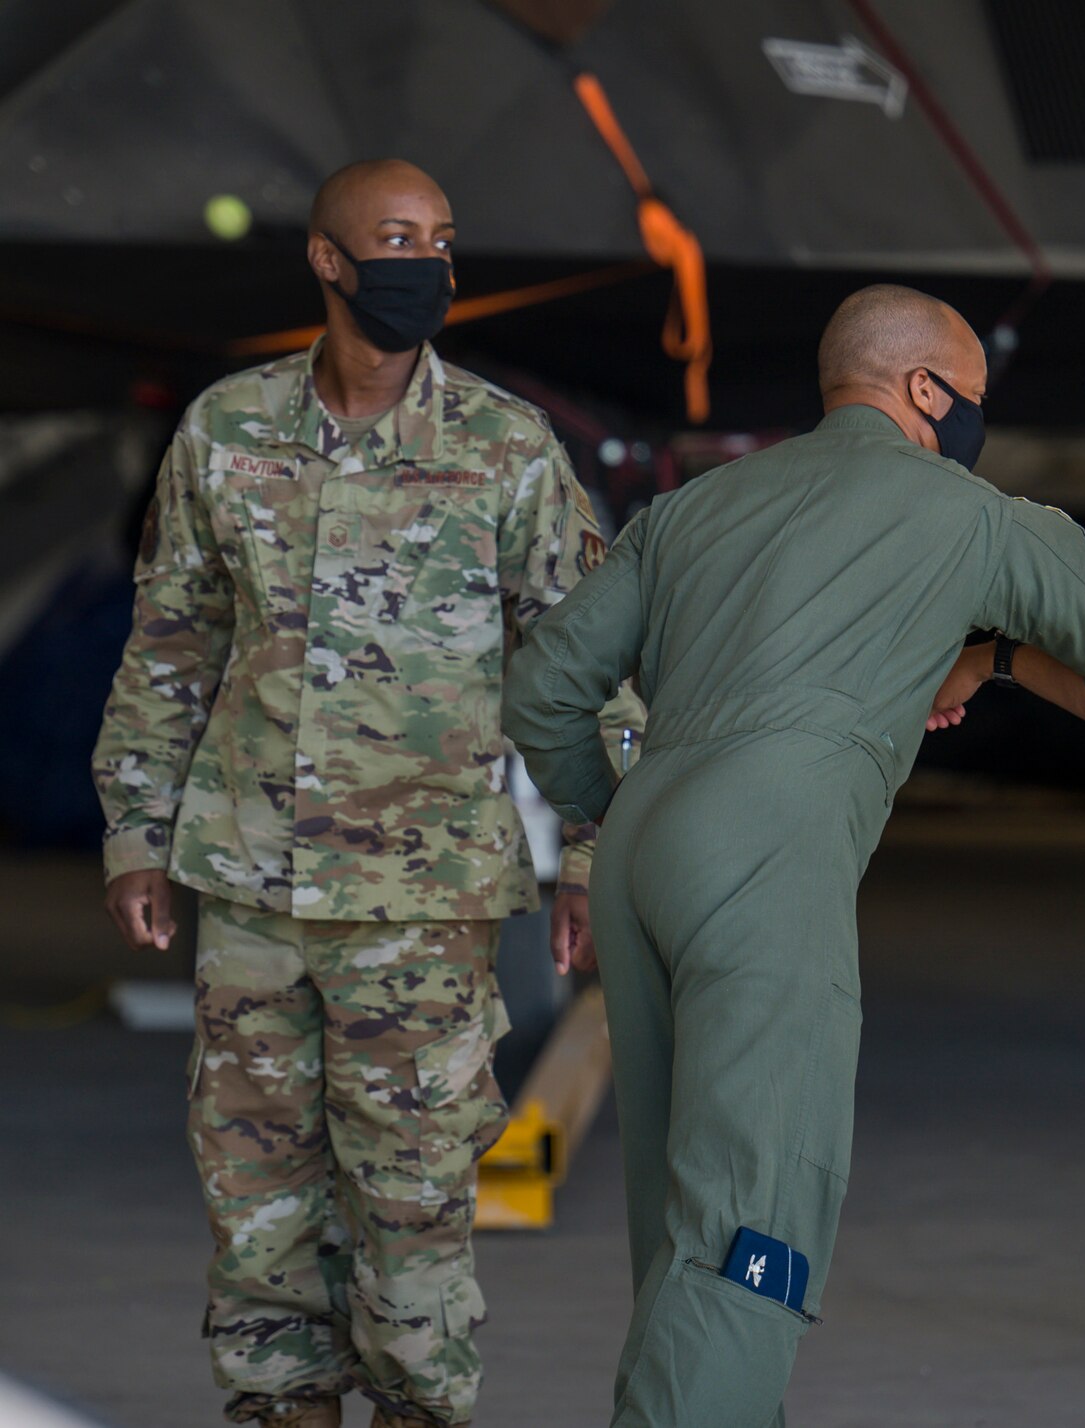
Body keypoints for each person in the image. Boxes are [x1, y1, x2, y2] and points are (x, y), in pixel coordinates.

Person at [503, 283, 1085, 1427]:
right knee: (752, 1230)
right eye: (971, 398)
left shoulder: (695, 508)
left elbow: (542, 689)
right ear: (923, 389)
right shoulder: (969, 516)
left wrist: (616, 808)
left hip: (640, 843)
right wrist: (997, 661)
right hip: (765, 859)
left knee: (684, 1217)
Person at [93, 159, 642, 1428]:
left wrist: (593, 856)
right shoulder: (225, 432)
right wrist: (136, 829)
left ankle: (417, 1411)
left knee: (410, 1199)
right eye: (396, 240)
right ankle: (281, 1408)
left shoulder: (504, 447)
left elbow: (585, 663)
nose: (427, 267)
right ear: (329, 262)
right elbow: (171, 641)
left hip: (425, 895)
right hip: (248, 887)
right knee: (257, 1198)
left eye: (443, 242)